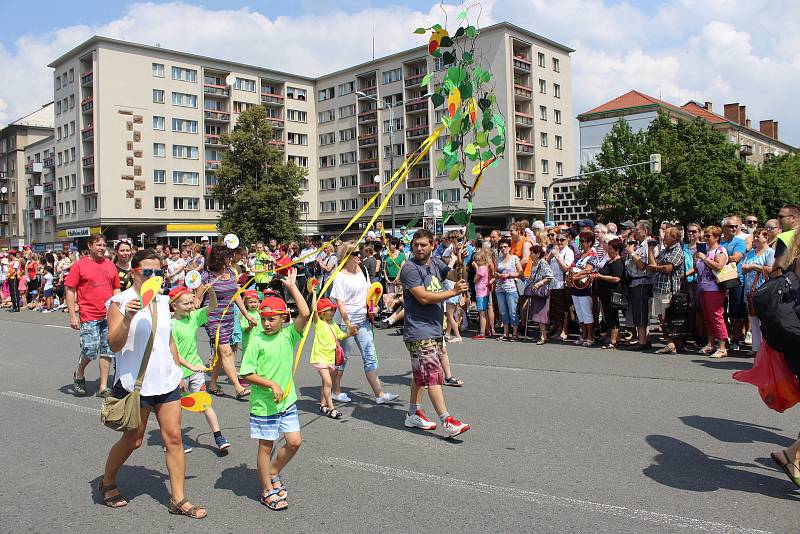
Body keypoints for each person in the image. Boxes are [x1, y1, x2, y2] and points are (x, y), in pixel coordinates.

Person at [100, 249, 207, 518]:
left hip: (166, 381)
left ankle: (178, 499)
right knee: (134, 440)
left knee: (174, 439)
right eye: (148, 271)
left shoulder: (161, 301)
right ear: (134, 272)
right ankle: (108, 481)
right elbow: (114, 344)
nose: (154, 276)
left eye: (158, 272)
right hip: (136, 384)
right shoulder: (119, 302)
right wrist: (127, 317)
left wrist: (178, 370)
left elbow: (168, 339)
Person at [239, 269, 309, 511]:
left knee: (294, 442)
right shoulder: (256, 340)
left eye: (272, 319)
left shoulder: (289, 335)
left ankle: (273, 472)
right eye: (264, 319)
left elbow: (306, 313)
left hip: (287, 402)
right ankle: (267, 490)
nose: (267, 323)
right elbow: (246, 373)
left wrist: (292, 287)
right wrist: (271, 384)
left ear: (283, 318)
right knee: (265, 447)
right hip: (264, 404)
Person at [400, 229, 470, 437]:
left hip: (434, 328)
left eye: (423, 244)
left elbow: (456, 276)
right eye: (416, 244)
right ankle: (447, 420)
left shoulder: (436, 263)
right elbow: (423, 297)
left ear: (432, 245)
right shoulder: (410, 269)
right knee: (432, 377)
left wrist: (460, 261)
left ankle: (413, 413)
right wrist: (453, 292)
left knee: (419, 374)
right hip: (419, 330)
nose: (419, 248)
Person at [329, 241, 398, 404]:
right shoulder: (339, 276)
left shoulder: (363, 270)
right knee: (342, 358)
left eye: (359, 253)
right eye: (355, 254)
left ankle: (379, 394)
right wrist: (348, 324)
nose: (359, 255)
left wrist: (372, 309)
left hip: (364, 320)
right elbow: (341, 305)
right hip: (346, 323)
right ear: (346, 257)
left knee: (370, 356)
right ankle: (335, 391)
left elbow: (370, 293)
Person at [169, 285, 230, 454]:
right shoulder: (170, 324)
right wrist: (188, 368)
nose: (190, 306)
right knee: (176, 410)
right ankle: (176, 441)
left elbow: (212, 307)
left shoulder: (194, 317)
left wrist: (210, 291)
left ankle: (219, 437)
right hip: (178, 372)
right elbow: (172, 352)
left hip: (195, 371)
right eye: (185, 304)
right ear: (174, 305)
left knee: (204, 403)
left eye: (191, 303)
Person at [66, 235, 121, 398]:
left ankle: (103, 386)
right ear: (90, 246)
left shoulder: (111, 266)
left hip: (108, 315)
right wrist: (72, 315)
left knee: (107, 351)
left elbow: (116, 289)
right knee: (90, 350)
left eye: (104, 245)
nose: (102, 247)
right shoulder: (79, 266)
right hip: (89, 314)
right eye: (98, 244)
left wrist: (118, 310)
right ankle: (79, 373)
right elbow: (70, 290)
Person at [201, 245, 257, 398]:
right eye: (227, 257)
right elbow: (198, 297)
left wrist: (246, 314)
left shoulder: (231, 273)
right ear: (219, 259)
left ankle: (212, 383)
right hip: (213, 319)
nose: (230, 260)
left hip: (228, 318)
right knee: (226, 351)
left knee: (222, 352)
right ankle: (239, 388)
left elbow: (236, 294)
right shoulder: (207, 276)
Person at [311, 297, 358, 419]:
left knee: (325, 384)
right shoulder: (318, 323)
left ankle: (322, 405)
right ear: (322, 313)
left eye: (333, 310)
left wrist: (350, 334)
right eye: (329, 310)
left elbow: (341, 335)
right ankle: (331, 409)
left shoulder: (333, 324)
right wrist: (315, 293)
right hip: (320, 358)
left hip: (330, 358)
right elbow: (314, 310)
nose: (332, 312)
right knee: (328, 382)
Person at [648, 227, 684, 354]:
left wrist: (656, 267)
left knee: (668, 317)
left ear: (675, 238)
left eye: (667, 236)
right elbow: (652, 264)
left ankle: (671, 343)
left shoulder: (677, 250)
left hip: (668, 288)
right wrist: (650, 250)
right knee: (661, 317)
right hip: (658, 287)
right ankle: (671, 342)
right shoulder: (665, 251)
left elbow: (668, 268)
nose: (664, 238)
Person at [695, 226, 729, 358]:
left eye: (708, 236)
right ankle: (710, 343)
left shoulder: (720, 250)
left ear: (716, 237)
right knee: (707, 318)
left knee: (717, 317)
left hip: (714, 288)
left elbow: (719, 266)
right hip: (703, 287)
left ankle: (722, 347)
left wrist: (704, 258)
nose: (705, 238)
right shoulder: (706, 251)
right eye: (705, 236)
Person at [741, 228, 775, 355]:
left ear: (766, 238)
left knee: (763, 321)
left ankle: (766, 348)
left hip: (763, 288)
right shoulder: (750, 253)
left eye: (758, 236)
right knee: (753, 318)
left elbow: (770, 269)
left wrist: (754, 266)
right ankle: (756, 348)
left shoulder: (770, 252)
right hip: (751, 289)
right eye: (754, 237)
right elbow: (743, 269)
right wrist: (746, 269)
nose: (755, 239)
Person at [624, 221, 655, 350]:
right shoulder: (639, 245)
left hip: (642, 281)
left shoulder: (649, 244)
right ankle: (644, 338)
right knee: (638, 310)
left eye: (637, 229)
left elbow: (643, 265)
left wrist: (632, 253)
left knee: (641, 311)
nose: (635, 231)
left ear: (646, 231)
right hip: (634, 281)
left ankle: (642, 341)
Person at [720, 216, 747, 351]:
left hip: (736, 280)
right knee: (721, 312)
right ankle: (726, 336)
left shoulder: (739, 242)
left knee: (736, 312)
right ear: (723, 228)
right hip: (719, 280)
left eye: (736, 226)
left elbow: (736, 258)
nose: (734, 228)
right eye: (731, 226)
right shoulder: (719, 242)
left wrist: (718, 258)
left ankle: (736, 339)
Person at [569, 230, 599, 347]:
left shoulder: (593, 256)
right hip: (575, 287)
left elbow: (588, 270)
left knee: (586, 312)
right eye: (579, 241)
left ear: (590, 242)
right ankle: (583, 335)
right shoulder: (578, 255)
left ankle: (590, 336)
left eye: (583, 241)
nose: (580, 243)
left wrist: (574, 277)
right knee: (579, 312)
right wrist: (571, 277)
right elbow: (571, 267)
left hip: (585, 287)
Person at [595, 237, 625, 349]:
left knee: (613, 317)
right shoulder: (609, 261)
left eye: (611, 248)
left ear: (616, 250)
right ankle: (614, 338)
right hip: (605, 293)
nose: (608, 250)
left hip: (613, 293)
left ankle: (613, 341)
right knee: (608, 316)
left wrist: (601, 276)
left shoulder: (618, 262)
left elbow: (616, 278)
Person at [494, 239, 523, 341]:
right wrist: (497, 275)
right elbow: (495, 272)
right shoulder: (498, 259)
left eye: (505, 246)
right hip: (499, 288)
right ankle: (506, 333)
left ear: (510, 247)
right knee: (503, 311)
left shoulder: (514, 258)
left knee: (513, 311)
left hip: (511, 288)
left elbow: (520, 273)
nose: (503, 249)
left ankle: (514, 333)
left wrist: (509, 275)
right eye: (501, 247)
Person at [548, 231, 575, 342]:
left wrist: (558, 257)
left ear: (567, 240)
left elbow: (566, 268)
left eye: (562, 240)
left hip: (563, 284)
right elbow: (546, 264)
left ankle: (564, 331)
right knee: (555, 310)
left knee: (564, 309)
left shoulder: (568, 252)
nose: (559, 242)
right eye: (557, 239)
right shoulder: (554, 251)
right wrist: (550, 257)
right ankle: (558, 329)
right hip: (553, 284)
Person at [524, 245, 553, 344]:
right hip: (535, 291)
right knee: (538, 314)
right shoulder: (534, 263)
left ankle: (543, 336)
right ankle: (542, 335)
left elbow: (549, 276)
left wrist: (539, 283)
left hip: (541, 291)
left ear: (537, 254)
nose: (530, 255)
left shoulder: (543, 263)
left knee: (541, 315)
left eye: (532, 253)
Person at [471, 249, 491, 340]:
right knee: (485, 311)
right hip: (484, 291)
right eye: (476, 260)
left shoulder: (481, 268)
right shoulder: (485, 267)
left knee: (482, 313)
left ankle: (482, 332)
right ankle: (487, 330)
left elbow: (475, 279)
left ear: (483, 260)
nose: (477, 262)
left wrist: (476, 268)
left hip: (480, 292)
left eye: (479, 260)